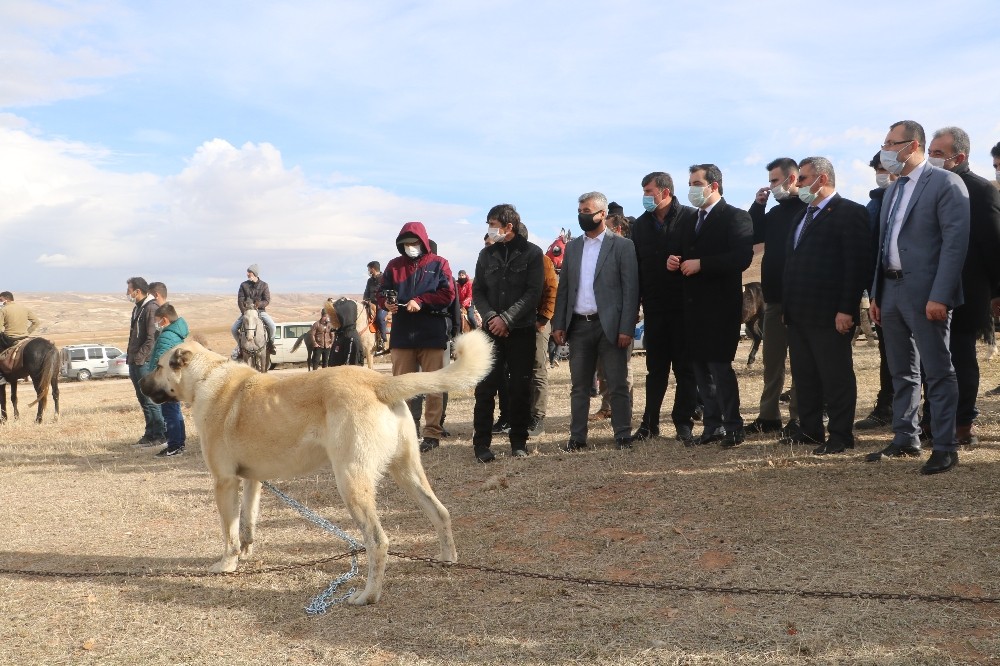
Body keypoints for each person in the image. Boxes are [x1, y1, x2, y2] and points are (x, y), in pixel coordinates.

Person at [867, 120, 970, 475]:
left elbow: (955, 246)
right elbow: (883, 246)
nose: (885, 149)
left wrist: (940, 295)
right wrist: (876, 293)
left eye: (891, 143)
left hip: (927, 294)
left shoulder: (946, 183)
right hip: (891, 290)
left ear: (913, 146)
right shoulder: (893, 190)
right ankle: (904, 436)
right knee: (901, 370)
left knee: (938, 371)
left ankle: (944, 446)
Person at [781, 157, 870, 454]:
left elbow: (855, 266)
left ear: (821, 179)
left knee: (836, 377)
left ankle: (841, 435)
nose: (798, 185)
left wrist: (846, 309)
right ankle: (810, 430)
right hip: (799, 313)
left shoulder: (849, 213)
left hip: (830, 314)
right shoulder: (801, 215)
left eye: (803, 179)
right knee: (805, 377)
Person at [924, 127, 1000, 447]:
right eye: (930, 152)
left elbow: (994, 246)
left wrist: (997, 292)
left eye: (938, 154)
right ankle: (933, 421)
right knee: (932, 361)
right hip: (929, 289)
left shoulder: (981, 191)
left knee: (959, 357)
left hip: (968, 292)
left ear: (960, 156)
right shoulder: (927, 188)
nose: (931, 159)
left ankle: (962, 424)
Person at [668, 164, 754, 448]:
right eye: (690, 183)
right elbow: (682, 254)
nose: (692, 189)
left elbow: (741, 257)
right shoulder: (689, 221)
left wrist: (702, 264)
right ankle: (712, 425)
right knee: (700, 370)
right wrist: (673, 261)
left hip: (720, 308)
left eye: (696, 183)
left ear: (714, 185)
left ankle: (733, 426)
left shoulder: (736, 217)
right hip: (692, 308)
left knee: (720, 368)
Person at [552, 191, 639, 452]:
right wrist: (559, 324)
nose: (582, 215)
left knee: (617, 383)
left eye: (587, 211)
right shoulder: (574, 247)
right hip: (578, 326)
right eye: (580, 211)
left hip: (610, 327)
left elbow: (630, 290)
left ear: (602, 214)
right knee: (579, 386)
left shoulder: (623, 246)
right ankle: (577, 437)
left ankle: (622, 434)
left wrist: (626, 328)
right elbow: (564, 288)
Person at [470, 204, 544, 462]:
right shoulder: (485, 255)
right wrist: (492, 318)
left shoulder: (532, 254)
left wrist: (508, 319)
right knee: (485, 387)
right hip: (490, 331)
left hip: (521, 330)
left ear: (508, 226)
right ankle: (481, 444)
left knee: (520, 386)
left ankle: (518, 442)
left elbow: (534, 293)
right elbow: (478, 291)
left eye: (493, 223)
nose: (490, 229)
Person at [630, 172, 699, 444]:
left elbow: (702, 255)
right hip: (655, 309)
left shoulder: (691, 219)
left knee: (685, 369)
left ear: (665, 192)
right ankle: (650, 423)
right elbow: (637, 267)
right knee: (655, 369)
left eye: (649, 191)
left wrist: (684, 260)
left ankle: (683, 422)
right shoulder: (641, 226)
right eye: (644, 191)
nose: (645, 196)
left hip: (684, 307)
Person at [377, 222, 455, 453]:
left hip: (431, 332)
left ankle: (432, 433)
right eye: (405, 244)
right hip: (402, 334)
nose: (410, 247)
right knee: (401, 387)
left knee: (433, 386)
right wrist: (387, 303)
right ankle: (405, 432)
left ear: (422, 241)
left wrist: (420, 301)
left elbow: (448, 293)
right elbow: (381, 292)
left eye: (413, 243)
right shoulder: (393, 266)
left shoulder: (440, 264)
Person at [746, 158, 806, 438]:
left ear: (792, 179)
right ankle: (769, 416)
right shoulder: (774, 213)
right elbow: (754, 235)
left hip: (798, 298)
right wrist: (758, 206)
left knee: (800, 360)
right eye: (769, 181)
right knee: (772, 361)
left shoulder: (808, 209)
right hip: (772, 299)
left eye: (774, 181)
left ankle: (799, 416)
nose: (770, 187)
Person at [855, 153, 897, 430]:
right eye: (878, 170)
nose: (881, 174)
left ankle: (929, 414)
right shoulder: (874, 204)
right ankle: (887, 406)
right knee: (888, 351)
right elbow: (868, 252)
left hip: (915, 288)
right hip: (883, 290)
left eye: (885, 168)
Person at [143, 303, 189, 457]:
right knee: (175, 412)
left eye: (157, 320)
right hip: (173, 380)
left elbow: (160, 361)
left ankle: (174, 445)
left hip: (166, 381)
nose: (156, 324)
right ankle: (178, 443)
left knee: (170, 412)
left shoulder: (166, 337)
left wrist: (153, 377)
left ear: (164, 320)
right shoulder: (176, 333)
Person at [126, 277, 167, 448]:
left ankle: (160, 435)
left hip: (144, 362)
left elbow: (152, 338)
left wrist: (140, 357)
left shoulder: (151, 309)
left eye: (129, 289)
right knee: (143, 400)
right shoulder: (138, 309)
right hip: (135, 362)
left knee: (150, 400)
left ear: (138, 291)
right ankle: (150, 434)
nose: (127, 293)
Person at [528, 226, 558, 437]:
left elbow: (551, 290)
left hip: (537, 322)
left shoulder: (541, 259)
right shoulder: (511, 259)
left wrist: (543, 318)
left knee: (538, 369)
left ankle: (538, 416)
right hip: (516, 323)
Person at [231, 264, 276, 357]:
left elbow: (267, 300)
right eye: (247, 272)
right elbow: (240, 300)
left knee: (272, 326)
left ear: (254, 273)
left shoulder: (264, 285)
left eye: (249, 272)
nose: (247, 274)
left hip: (260, 312)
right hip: (247, 312)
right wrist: (244, 312)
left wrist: (258, 304)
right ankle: (240, 347)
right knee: (234, 329)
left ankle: (270, 345)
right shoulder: (243, 285)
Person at [363, 261, 389, 354]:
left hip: (382, 304)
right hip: (370, 303)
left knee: (380, 318)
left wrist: (381, 301)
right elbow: (366, 292)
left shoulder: (385, 279)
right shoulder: (369, 280)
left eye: (369, 269)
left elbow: (386, 292)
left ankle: (383, 339)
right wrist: (366, 300)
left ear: (373, 269)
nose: (368, 271)